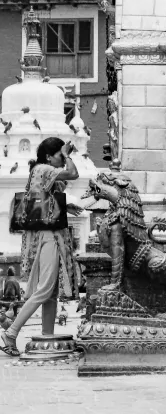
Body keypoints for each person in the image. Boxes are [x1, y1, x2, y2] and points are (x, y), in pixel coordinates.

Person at [0, 137, 82, 357]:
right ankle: (11, 332)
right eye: (58, 155)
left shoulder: (40, 171)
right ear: (49, 156)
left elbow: (45, 201)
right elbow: (73, 173)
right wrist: (67, 155)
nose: (61, 160)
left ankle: (47, 336)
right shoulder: (45, 168)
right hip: (49, 236)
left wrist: (67, 205)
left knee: (51, 292)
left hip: (47, 234)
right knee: (44, 289)